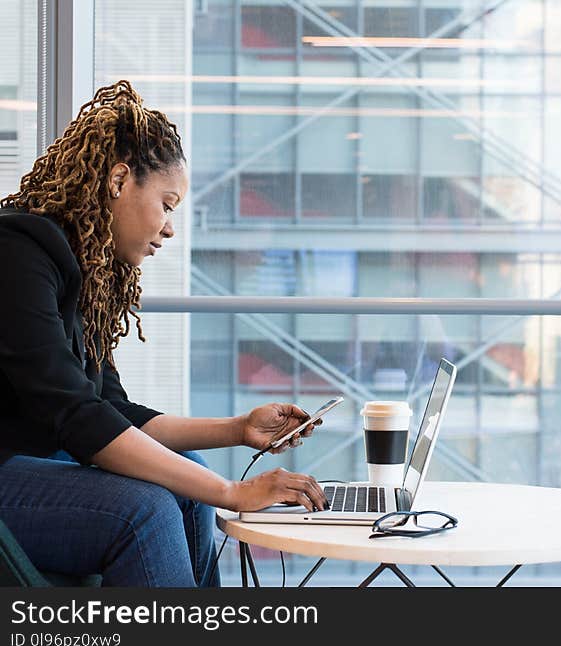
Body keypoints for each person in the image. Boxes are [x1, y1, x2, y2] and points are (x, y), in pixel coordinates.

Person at [0, 80, 328, 587]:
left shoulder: (83, 270)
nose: (170, 227)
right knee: (145, 510)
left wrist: (239, 429)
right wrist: (230, 491)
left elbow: (112, 412)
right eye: (167, 203)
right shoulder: (18, 253)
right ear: (118, 180)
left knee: (184, 479)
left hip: (26, 462)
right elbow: (78, 418)